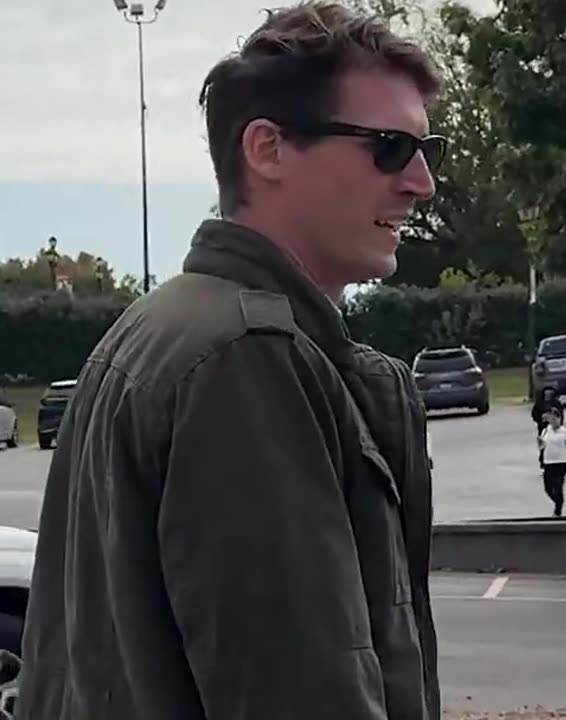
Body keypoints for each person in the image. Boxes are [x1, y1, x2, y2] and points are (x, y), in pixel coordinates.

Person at [20, 4, 444, 719]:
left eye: (428, 151)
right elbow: (299, 692)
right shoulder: (244, 358)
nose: (422, 182)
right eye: (389, 148)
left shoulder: (161, 329)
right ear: (268, 150)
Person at [539, 408, 566, 517]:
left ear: (559, 419)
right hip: (548, 462)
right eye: (551, 419)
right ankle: (557, 502)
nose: (553, 421)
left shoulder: (565, 433)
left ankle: (558, 510)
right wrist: (540, 444)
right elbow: (542, 446)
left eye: (555, 419)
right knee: (548, 488)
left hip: (560, 463)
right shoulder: (546, 430)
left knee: (558, 485)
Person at [531, 385, 564, 463]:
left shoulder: (557, 404)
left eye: (550, 394)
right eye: (546, 394)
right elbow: (534, 414)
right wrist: (540, 421)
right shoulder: (539, 404)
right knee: (543, 444)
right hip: (543, 427)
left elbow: (561, 415)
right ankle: (543, 460)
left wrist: (559, 425)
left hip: (554, 428)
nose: (548, 396)